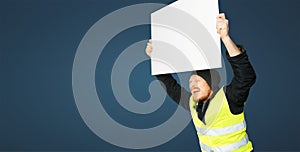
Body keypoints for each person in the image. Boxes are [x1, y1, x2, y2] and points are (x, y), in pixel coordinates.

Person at [145, 13, 256, 152]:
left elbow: (246, 76)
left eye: (198, 80)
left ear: (211, 84)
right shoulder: (192, 103)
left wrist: (225, 38)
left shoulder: (230, 98)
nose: (192, 85)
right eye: (191, 82)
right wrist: (157, 58)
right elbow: (170, 85)